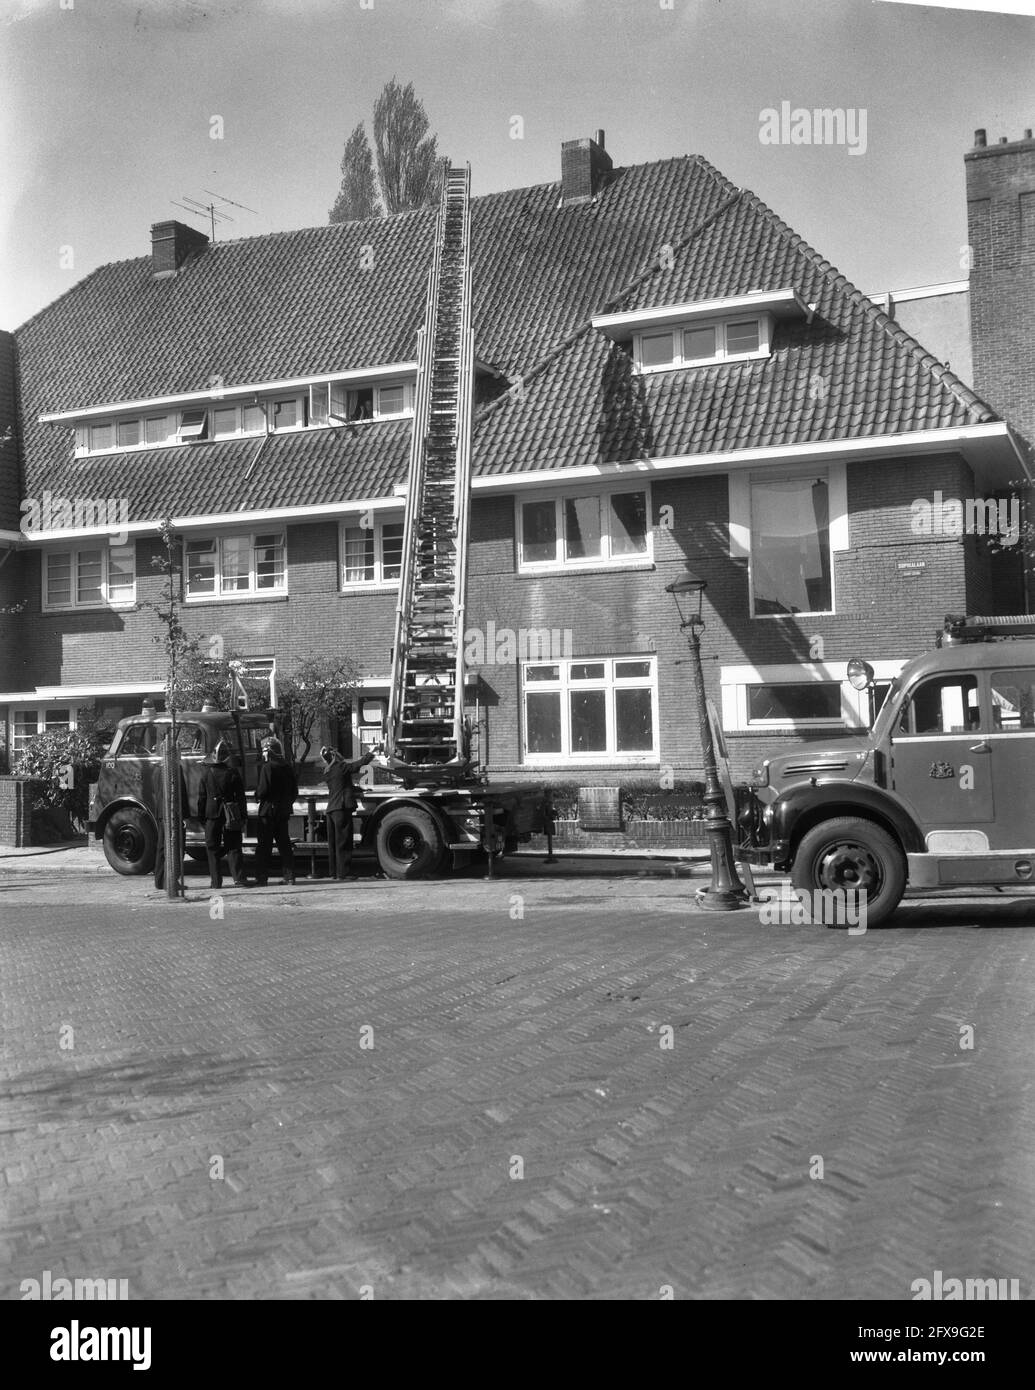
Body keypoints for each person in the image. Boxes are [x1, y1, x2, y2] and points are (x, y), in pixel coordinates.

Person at [197, 739, 250, 889]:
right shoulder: (233, 773)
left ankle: (215, 882)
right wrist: (243, 816)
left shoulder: (206, 774)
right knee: (233, 846)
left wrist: (201, 817)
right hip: (230, 814)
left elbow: (201, 798)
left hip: (211, 814)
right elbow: (241, 797)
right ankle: (238, 878)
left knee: (212, 848)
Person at [321, 744, 376, 880]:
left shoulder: (328, 771)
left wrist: (358, 789)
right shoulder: (341, 767)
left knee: (334, 843)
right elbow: (358, 765)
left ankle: (334, 872)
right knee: (344, 842)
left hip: (332, 809)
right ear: (334, 756)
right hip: (341, 808)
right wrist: (371, 753)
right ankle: (343, 873)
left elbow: (342, 786)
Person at [254, 736, 298, 887]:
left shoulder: (267, 768)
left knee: (264, 847)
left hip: (268, 812)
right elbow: (294, 792)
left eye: (265, 751)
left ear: (269, 752)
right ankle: (290, 876)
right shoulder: (287, 767)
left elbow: (262, 790)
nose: (263, 754)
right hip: (283, 812)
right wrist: (285, 804)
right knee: (284, 846)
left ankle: (262, 877)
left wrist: (257, 795)